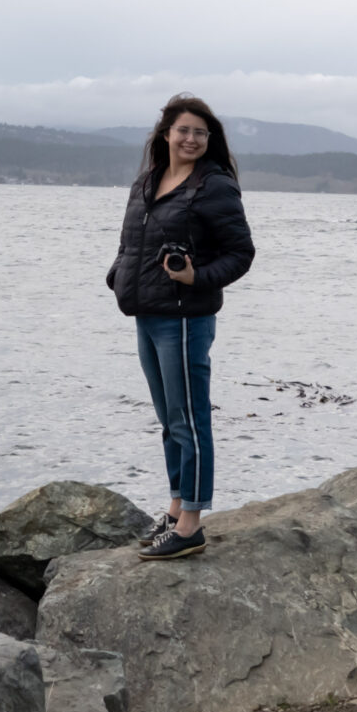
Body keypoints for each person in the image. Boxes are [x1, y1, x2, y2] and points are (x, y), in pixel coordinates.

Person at [105, 94, 254, 560]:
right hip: (147, 312)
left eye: (200, 133)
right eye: (184, 130)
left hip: (186, 316)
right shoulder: (148, 181)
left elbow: (241, 253)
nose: (191, 139)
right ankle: (174, 509)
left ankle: (191, 524)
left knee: (190, 420)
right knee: (170, 420)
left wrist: (196, 277)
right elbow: (131, 241)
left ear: (209, 139)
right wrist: (117, 275)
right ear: (166, 133)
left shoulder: (214, 186)